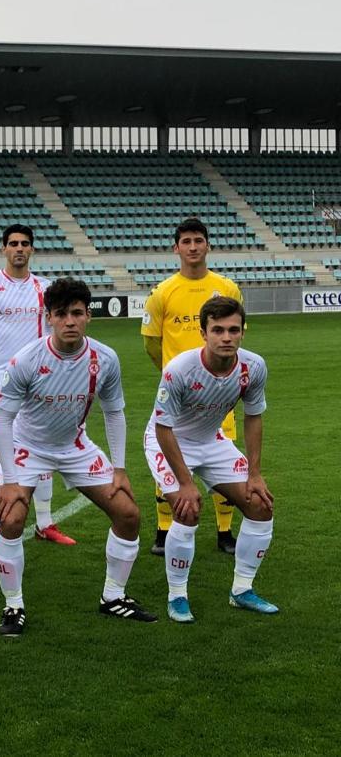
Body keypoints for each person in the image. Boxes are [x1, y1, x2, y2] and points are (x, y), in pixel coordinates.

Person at [0, 277, 157, 635]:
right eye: (62, 314)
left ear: (88, 317)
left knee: (128, 514)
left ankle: (113, 597)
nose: (70, 321)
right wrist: (8, 478)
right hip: (27, 447)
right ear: (48, 317)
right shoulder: (27, 360)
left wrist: (119, 468)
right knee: (11, 521)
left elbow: (114, 412)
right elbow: (2, 419)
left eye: (77, 313)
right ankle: (14, 605)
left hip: (75, 446)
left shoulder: (105, 359)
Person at [144, 296, 277, 623]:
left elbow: (253, 417)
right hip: (168, 441)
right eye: (218, 330)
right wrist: (186, 484)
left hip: (211, 439)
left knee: (260, 505)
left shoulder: (253, 367)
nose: (227, 337)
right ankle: (177, 596)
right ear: (204, 333)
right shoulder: (180, 370)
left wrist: (255, 474)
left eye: (234, 330)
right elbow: (163, 429)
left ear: (243, 332)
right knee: (187, 510)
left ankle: (242, 590)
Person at [0, 224, 74, 548]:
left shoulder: (45, 288)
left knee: (44, 449)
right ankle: (1, 527)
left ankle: (45, 523)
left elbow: (57, 329)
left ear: (32, 249)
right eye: (13, 243)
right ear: (4, 249)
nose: (19, 249)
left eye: (25, 243)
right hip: (1, 380)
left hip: (39, 379)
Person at [141, 218, 244, 557]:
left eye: (199, 240)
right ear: (177, 248)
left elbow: (237, 331)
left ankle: (225, 532)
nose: (193, 246)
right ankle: (163, 529)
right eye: (186, 241)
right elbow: (151, 344)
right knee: (167, 460)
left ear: (207, 245)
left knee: (224, 454)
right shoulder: (162, 293)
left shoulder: (227, 287)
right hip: (178, 394)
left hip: (218, 393)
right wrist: (175, 376)